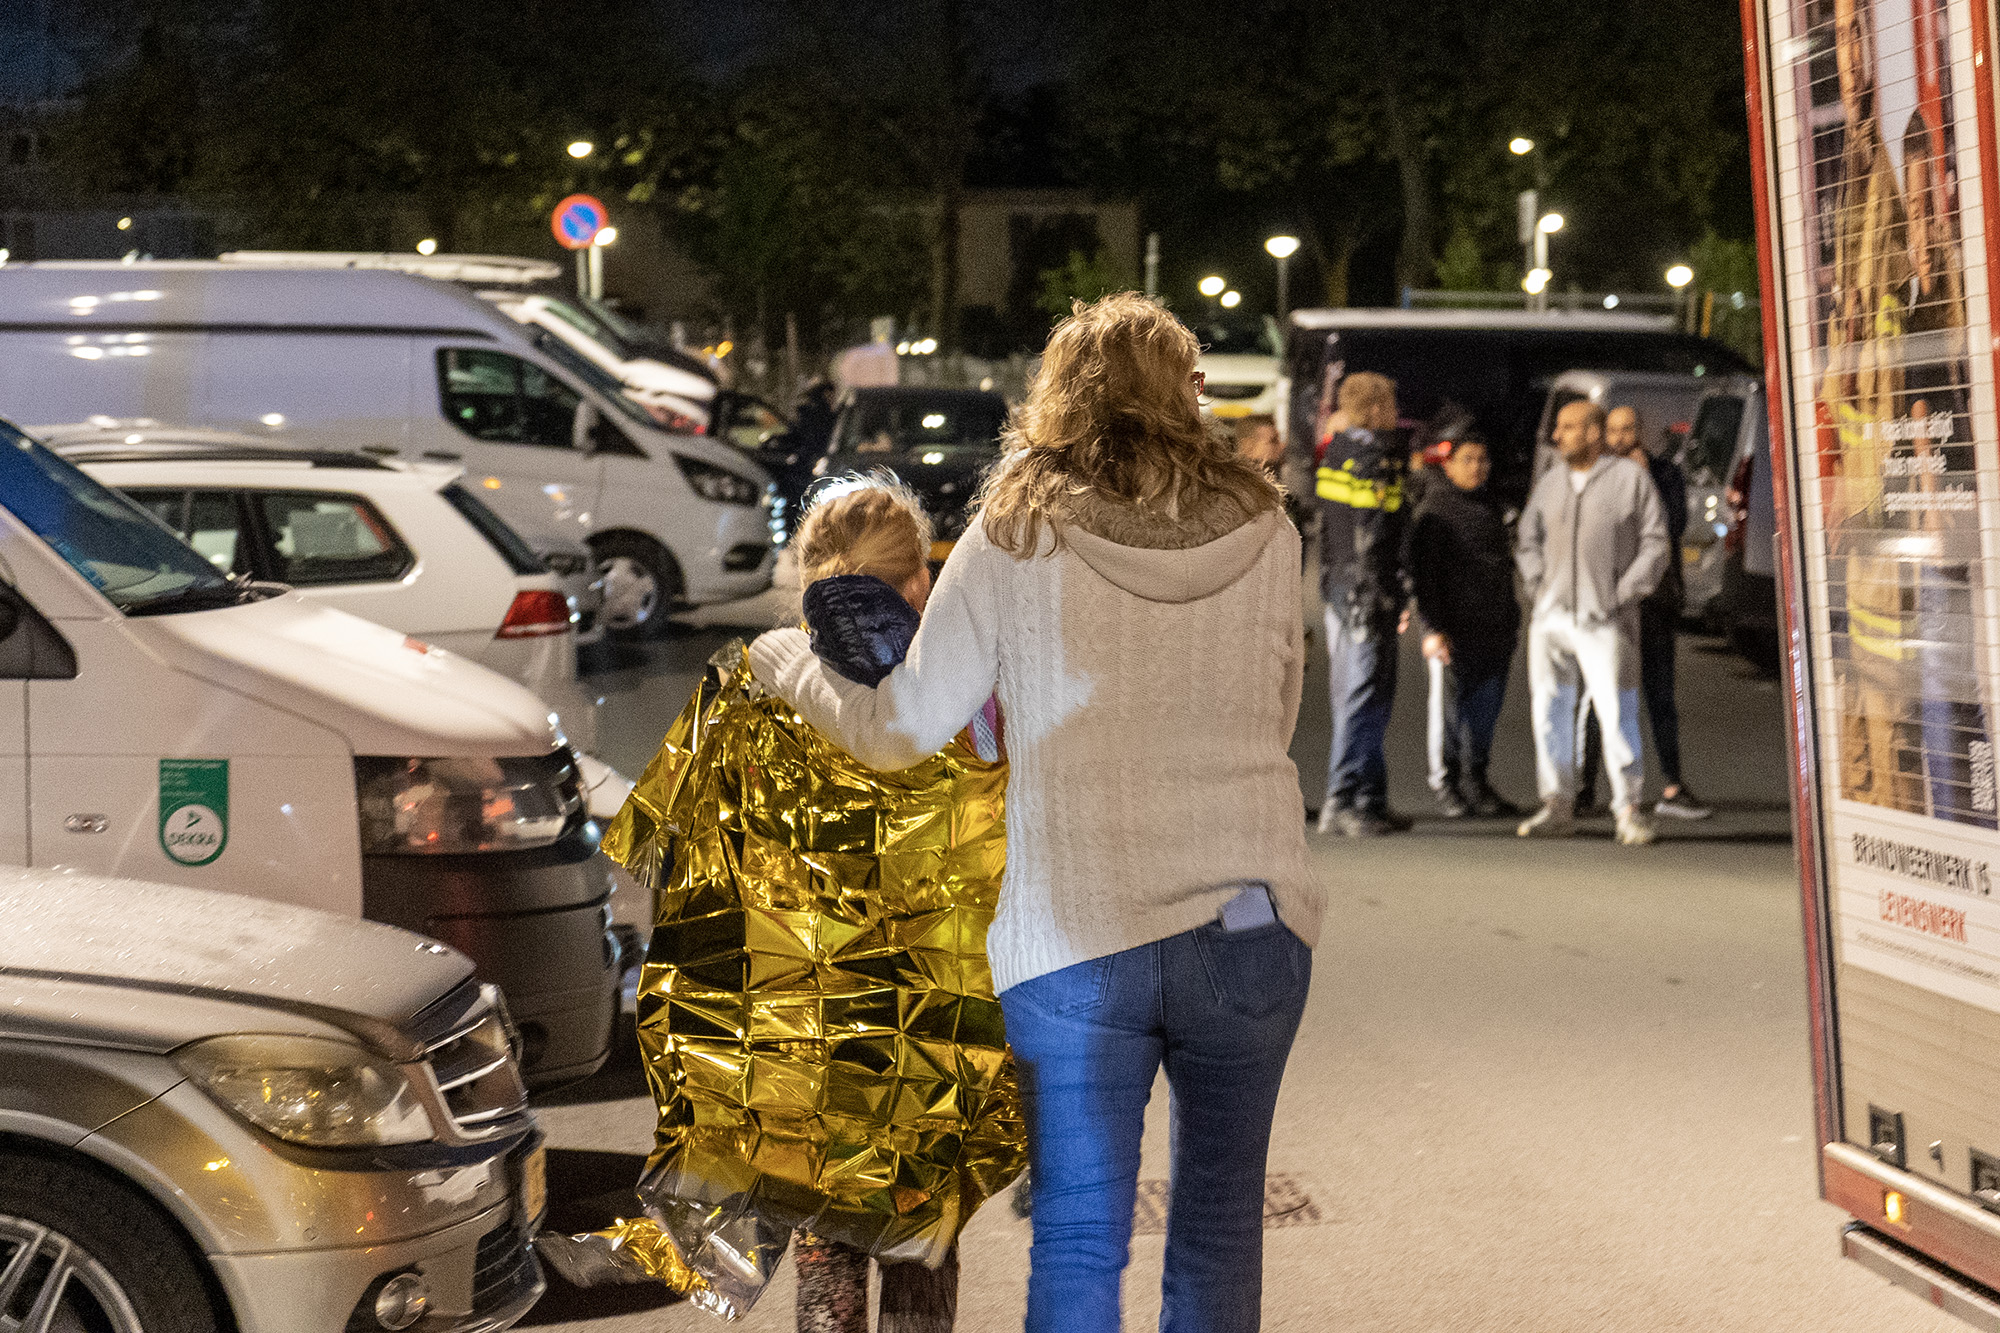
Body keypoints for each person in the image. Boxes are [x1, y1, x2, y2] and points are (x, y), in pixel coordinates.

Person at [749, 291, 1320, 1333]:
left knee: (1076, 1233)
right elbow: (1276, 714)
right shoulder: (1265, 524)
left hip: (1073, 929)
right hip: (1245, 914)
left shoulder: (1011, 529)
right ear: (1181, 394)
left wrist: (788, 659)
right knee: (1220, 1222)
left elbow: (904, 725)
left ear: (1059, 396)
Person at [1515, 399, 1670, 846]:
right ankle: (1557, 804)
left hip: (1606, 619)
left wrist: (1624, 594)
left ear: (1593, 433)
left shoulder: (1629, 480)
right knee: (1548, 711)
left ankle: (1628, 809)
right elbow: (1528, 538)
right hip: (1552, 617)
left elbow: (1655, 542)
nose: (1558, 435)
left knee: (1616, 712)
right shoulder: (1551, 482)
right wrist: (1537, 585)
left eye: (1568, 428)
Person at [1577, 405, 1712, 820]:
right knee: (1600, 695)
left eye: (1628, 430)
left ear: (1642, 433)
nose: (1620, 438)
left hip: (1654, 604)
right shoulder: (1595, 477)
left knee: (1659, 696)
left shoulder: (1665, 473)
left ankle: (1672, 786)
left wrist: (1647, 480)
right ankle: (1584, 788)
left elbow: (1672, 524)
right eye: (1613, 431)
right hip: (1609, 606)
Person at [1404, 434, 1523, 818]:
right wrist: (1431, 628)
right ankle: (1448, 784)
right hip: (1452, 631)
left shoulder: (1494, 507)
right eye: (1468, 459)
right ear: (1448, 465)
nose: (1477, 467)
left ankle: (1478, 781)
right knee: (1449, 714)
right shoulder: (1434, 512)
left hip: (1495, 629)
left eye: (1483, 459)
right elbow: (1424, 578)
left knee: (1484, 714)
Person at [1315, 370, 1412, 837]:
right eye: (1390, 402)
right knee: (1366, 696)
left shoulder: (1336, 451)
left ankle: (1370, 797)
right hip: (1367, 592)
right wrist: (1385, 592)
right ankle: (1344, 799)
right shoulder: (1375, 458)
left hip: (1339, 587)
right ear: (1376, 407)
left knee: (1351, 693)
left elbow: (1331, 531)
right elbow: (1373, 534)